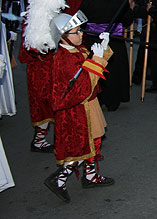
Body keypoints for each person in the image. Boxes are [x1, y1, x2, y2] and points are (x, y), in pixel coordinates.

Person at [45, 11, 115, 202]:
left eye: (80, 30)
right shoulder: (65, 59)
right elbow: (83, 86)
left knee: (94, 141)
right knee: (81, 146)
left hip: (88, 104)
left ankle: (90, 176)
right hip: (78, 109)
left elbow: (90, 69)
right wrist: (97, 59)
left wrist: (103, 47)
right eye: (75, 32)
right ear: (63, 37)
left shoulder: (76, 50)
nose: (81, 34)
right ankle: (59, 179)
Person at [80, 0, 134, 111]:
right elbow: (128, 20)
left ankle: (96, 98)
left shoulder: (89, 0)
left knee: (96, 67)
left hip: (94, 41)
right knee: (114, 69)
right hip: (114, 40)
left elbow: (82, 20)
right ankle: (113, 100)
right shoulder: (120, 0)